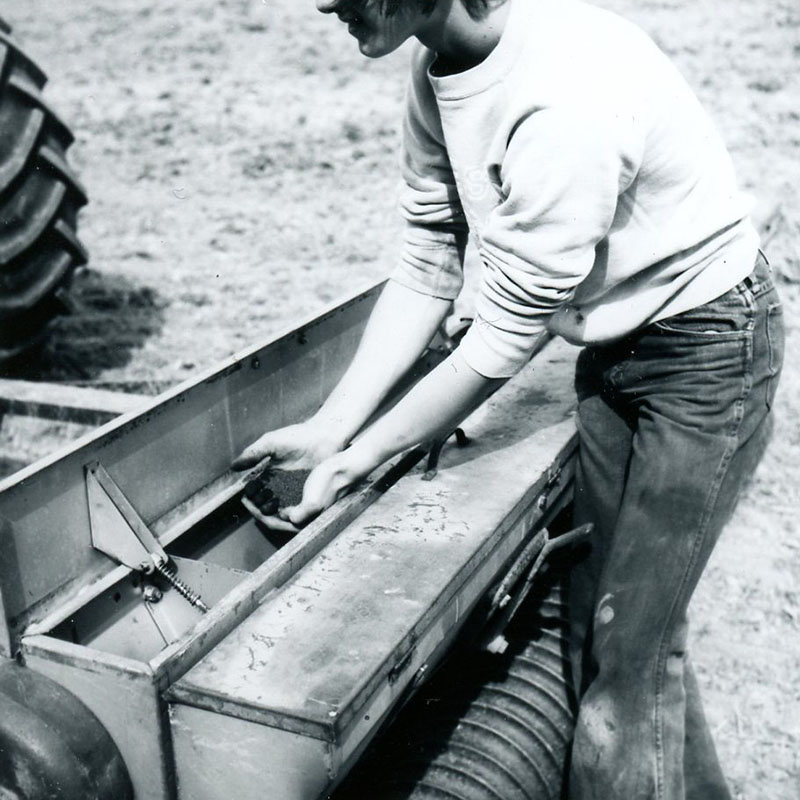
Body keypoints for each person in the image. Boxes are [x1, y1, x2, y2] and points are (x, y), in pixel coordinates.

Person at [233, 1, 785, 797]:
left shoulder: (563, 91)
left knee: (630, 661)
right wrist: (329, 428)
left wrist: (362, 460)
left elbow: (503, 336)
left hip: (707, 349)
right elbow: (429, 259)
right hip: (612, 340)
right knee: (608, 624)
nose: (326, 1)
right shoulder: (434, 70)